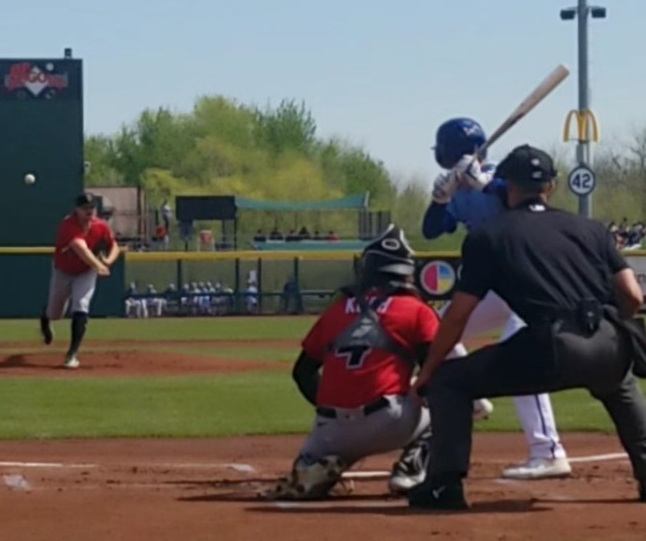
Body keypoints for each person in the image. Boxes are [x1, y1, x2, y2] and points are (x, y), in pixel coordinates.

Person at [407, 145, 646, 510]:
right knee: (619, 382)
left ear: (505, 187)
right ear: (550, 186)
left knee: (449, 381)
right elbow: (632, 295)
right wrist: (616, 327)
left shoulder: (489, 235)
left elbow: (457, 315)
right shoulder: (592, 228)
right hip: (607, 339)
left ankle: (443, 486)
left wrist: (429, 370)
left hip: (550, 347)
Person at [264, 225, 488, 500]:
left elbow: (302, 372)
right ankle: (411, 468)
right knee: (448, 395)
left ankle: (319, 463)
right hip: (389, 423)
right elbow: (438, 373)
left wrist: (331, 409)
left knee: (316, 454)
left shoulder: (335, 310)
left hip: (328, 431)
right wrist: (475, 404)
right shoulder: (416, 310)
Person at [422, 117, 569, 480]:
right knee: (434, 330)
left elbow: (527, 202)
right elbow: (430, 230)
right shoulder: (458, 188)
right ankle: (473, 401)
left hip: (528, 282)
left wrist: (489, 184)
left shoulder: (505, 178)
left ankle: (548, 450)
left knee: (522, 353)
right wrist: (439, 200)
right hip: (491, 285)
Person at [40, 192, 121, 368]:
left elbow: (114, 245)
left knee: (81, 304)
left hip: (85, 272)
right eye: (85, 208)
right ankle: (45, 318)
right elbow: (80, 247)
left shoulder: (100, 226)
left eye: (91, 207)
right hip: (63, 271)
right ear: (76, 210)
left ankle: (72, 354)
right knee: (55, 313)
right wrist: (98, 266)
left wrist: (108, 260)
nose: (89, 211)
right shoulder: (68, 224)